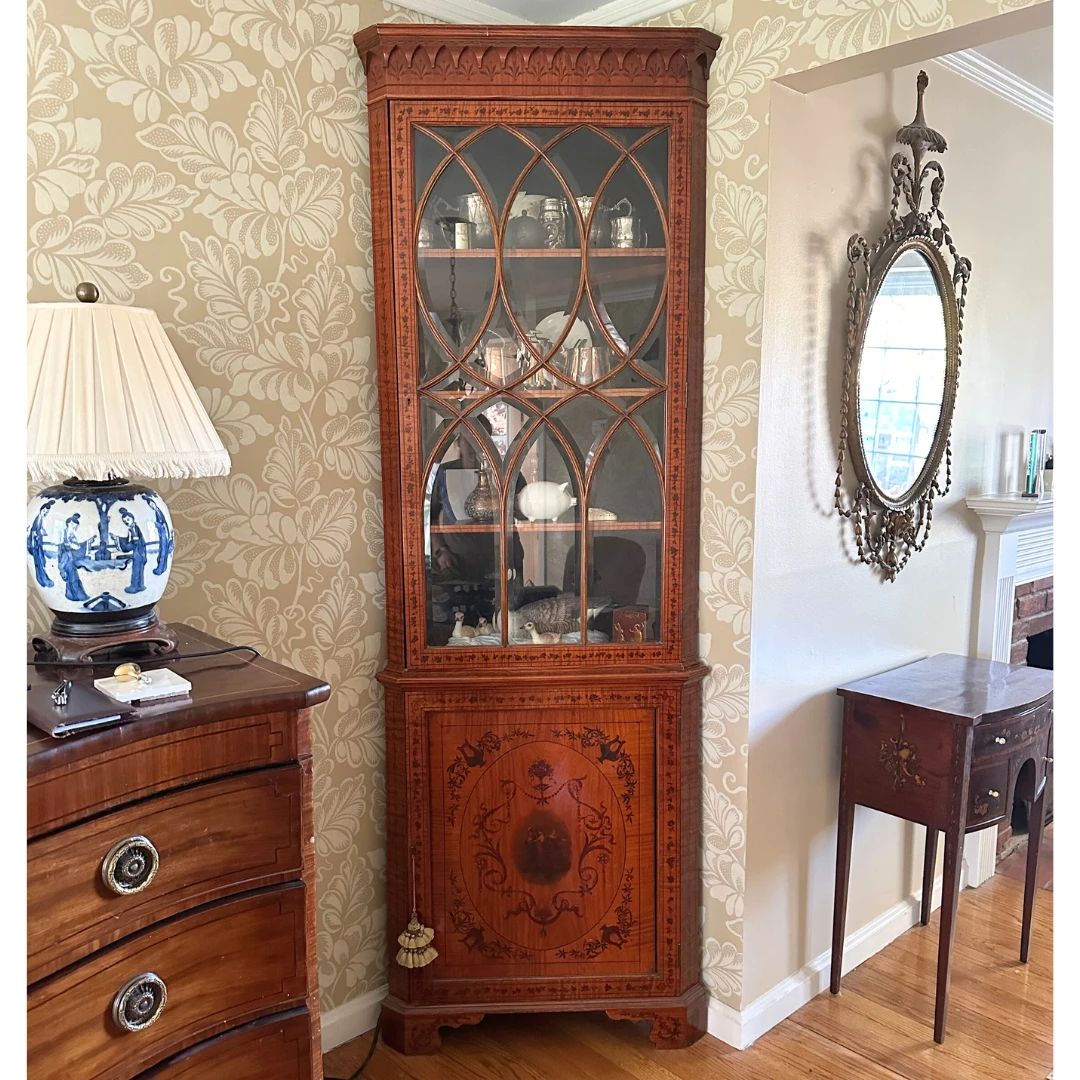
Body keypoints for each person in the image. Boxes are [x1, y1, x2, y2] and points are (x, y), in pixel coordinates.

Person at [115, 508, 148, 594]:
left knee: (136, 569)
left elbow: (134, 542)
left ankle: (134, 587)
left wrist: (119, 541)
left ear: (132, 518)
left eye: (128, 520)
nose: (127, 522)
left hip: (138, 551)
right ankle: (140, 585)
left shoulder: (133, 528)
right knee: (140, 569)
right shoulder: (133, 527)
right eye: (125, 521)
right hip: (141, 551)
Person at [57, 513, 89, 602]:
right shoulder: (63, 533)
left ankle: (75, 595)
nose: (75, 529)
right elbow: (61, 547)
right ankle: (74, 595)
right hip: (65, 559)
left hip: (69, 558)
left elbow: (77, 546)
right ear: (69, 524)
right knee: (72, 577)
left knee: (74, 577)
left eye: (76, 528)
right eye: (74, 527)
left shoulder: (71, 535)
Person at [141, 493, 173, 576]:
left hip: (164, 534)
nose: (152, 506)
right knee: (162, 551)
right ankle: (161, 567)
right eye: (150, 505)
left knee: (163, 551)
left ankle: (161, 567)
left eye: (151, 504)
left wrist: (157, 525)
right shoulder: (157, 511)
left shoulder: (159, 511)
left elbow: (163, 523)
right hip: (162, 534)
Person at [27, 500, 55, 588]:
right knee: (39, 562)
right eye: (45, 511)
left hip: (38, 544)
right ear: (41, 510)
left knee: (40, 562)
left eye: (47, 512)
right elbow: (34, 532)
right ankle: (42, 580)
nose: (45, 513)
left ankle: (43, 579)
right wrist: (41, 533)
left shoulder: (40, 519)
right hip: (36, 545)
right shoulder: (38, 519)